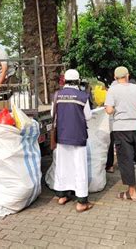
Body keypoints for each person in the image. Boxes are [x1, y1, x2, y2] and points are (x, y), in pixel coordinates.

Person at [105, 66, 136, 201]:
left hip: (121, 129)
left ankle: (132, 193)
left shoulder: (113, 90)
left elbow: (109, 110)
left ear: (115, 78)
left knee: (126, 160)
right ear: (127, 75)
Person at [52, 69, 94, 212]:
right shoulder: (83, 96)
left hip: (62, 135)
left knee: (63, 165)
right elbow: (88, 117)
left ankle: (62, 196)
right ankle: (81, 202)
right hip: (78, 136)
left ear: (65, 80)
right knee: (79, 166)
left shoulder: (57, 95)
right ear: (77, 80)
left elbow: (53, 114)